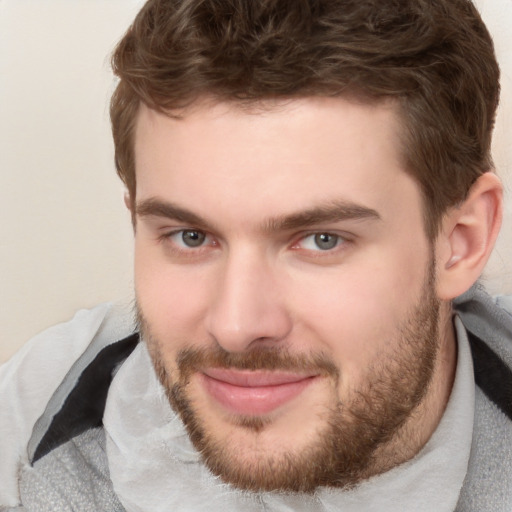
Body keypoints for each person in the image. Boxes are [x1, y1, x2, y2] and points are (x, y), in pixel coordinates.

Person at [1, 0, 511, 510]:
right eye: (190, 236)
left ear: (460, 242)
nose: (237, 326)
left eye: (321, 240)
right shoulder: (32, 422)